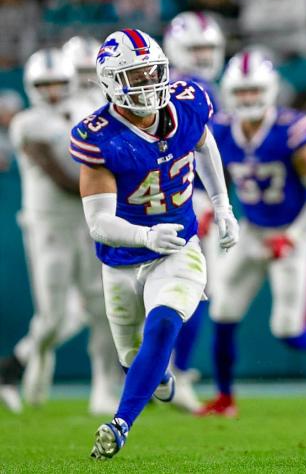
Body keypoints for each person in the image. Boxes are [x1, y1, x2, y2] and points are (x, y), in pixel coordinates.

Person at [72, 29, 239, 459]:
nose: (149, 83)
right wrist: (146, 235)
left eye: (153, 72)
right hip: (122, 258)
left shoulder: (187, 103)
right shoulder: (99, 136)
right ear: (110, 81)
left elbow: (205, 144)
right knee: (132, 357)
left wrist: (222, 205)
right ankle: (158, 377)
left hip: (179, 245)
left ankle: (120, 424)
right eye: (136, 75)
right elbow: (99, 222)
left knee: (164, 323)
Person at [199, 50, 306, 417]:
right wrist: (209, 211)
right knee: (222, 311)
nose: (248, 99)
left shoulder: (290, 130)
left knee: (288, 330)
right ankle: (225, 398)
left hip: (290, 232)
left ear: (269, 91)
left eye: (255, 91)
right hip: (251, 230)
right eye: (242, 91)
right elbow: (210, 180)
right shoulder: (219, 129)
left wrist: (295, 235)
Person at [0, 48, 120, 416]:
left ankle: (104, 386)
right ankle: (31, 354)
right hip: (48, 224)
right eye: (44, 84)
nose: (52, 91)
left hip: (89, 222)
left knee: (101, 308)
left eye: (57, 82)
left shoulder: (91, 108)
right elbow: (62, 175)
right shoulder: (27, 123)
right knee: (52, 316)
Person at [160, 11, 228, 412]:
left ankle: (158, 373)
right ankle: (177, 375)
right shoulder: (187, 91)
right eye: (196, 48)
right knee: (198, 291)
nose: (203, 56)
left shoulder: (197, 88)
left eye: (208, 48)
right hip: (183, 199)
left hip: (182, 199)